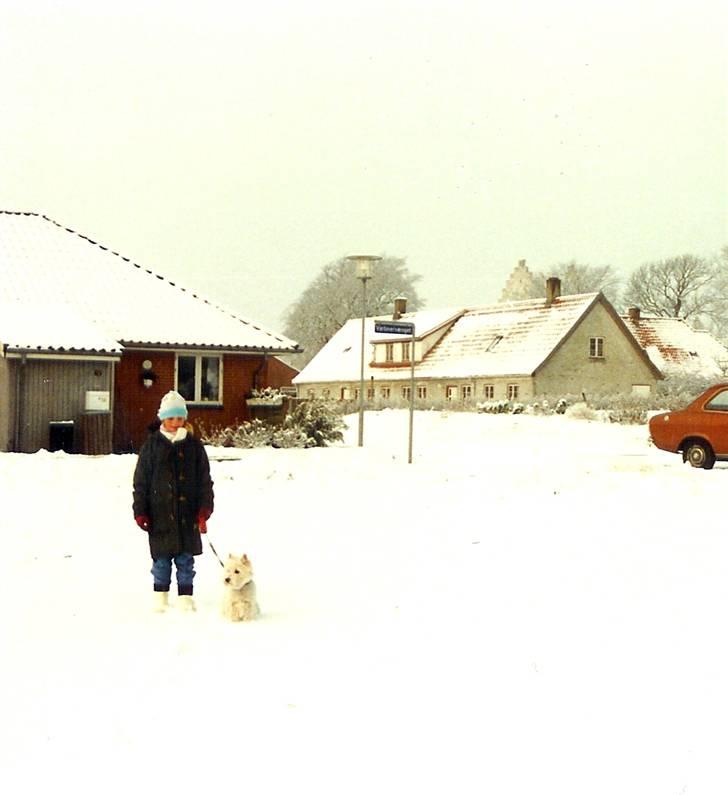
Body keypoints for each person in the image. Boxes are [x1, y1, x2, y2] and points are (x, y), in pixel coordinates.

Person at [132, 390, 214, 612]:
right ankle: (160, 595)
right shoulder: (151, 446)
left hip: (188, 515)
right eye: (171, 418)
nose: (175, 423)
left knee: (186, 560)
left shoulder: (194, 447)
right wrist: (141, 511)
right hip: (159, 514)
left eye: (179, 418)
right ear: (163, 419)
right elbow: (140, 483)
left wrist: (204, 508)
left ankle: (185, 597)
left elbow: (205, 480)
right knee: (161, 560)